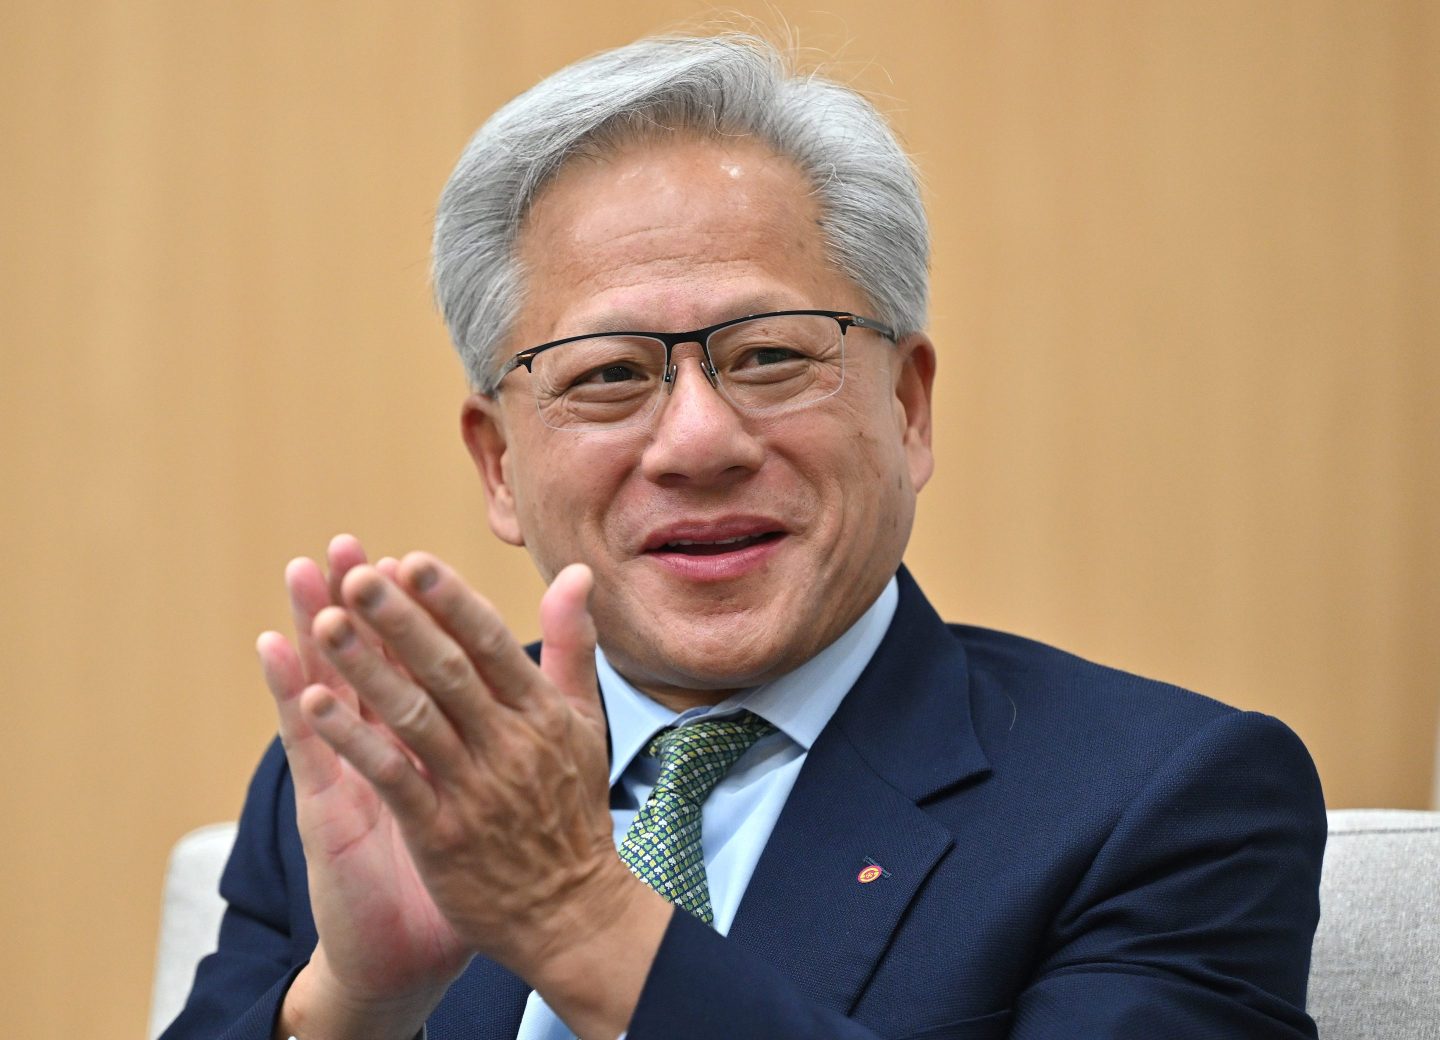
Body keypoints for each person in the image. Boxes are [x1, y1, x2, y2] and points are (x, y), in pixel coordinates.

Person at [161, 32, 1326, 1040]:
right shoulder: (391, 776)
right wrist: (352, 1006)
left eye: (771, 354)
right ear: (499, 464)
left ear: (908, 408)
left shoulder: (1164, 799)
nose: (699, 440)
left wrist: (580, 917)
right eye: (609, 375)